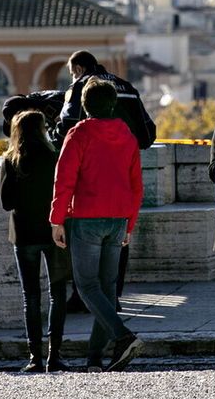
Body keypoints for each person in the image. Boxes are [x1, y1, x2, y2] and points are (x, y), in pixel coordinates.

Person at [50, 77, 145, 372]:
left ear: (84, 105)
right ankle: (95, 357)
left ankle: (123, 335)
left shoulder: (79, 134)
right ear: (113, 104)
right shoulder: (127, 135)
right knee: (106, 288)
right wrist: (129, 223)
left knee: (87, 286)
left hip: (87, 216)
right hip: (118, 218)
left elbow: (64, 178)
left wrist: (56, 219)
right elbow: (136, 185)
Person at [57, 51, 154, 305]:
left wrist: (56, 218)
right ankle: (113, 304)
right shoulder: (126, 87)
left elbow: (64, 128)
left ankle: (89, 305)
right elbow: (148, 134)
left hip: (88, 196)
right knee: (112, 277)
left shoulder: (80, 87)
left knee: (86, 280)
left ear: (77, 68)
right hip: (120, 197)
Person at [0, 108, 69, 372]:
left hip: (24, 232)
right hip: (53, 231)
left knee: (31, 296)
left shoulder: (10, 160)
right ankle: (55, 354)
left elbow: (6, 203)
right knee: (58, 293)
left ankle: (34, 357)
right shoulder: (53, 157)